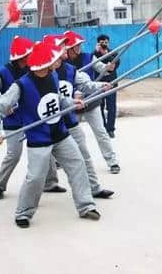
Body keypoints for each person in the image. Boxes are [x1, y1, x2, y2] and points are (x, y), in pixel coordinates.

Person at [0, 41, 100, 228]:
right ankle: (23, 212)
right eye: (53, 60)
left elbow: (58, 99)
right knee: (36, 177)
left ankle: (86, 205)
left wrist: (72, 103)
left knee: (77, 164)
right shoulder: (20, 85)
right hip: (39, 138)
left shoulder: (53, 76)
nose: (57, 62)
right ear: (44, 64)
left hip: (60, 133)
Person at [0, 36, 65, 200]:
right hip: (13, 120)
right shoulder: (2, 72)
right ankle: (0, 185)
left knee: (46, 146)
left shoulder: (35, 69)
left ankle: (50, 183)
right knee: (14, 154)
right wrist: (4, 107)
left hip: (32, 116)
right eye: (30, 53)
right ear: (21, 57)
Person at [48, 34, 114, 199]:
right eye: (63, 46)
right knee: (40, 161)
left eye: (66, 45)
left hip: (70, 120)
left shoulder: (71, 69)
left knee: (83, 154)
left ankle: (94, 188)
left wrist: (101, 86)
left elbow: (86, 84)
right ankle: (46, 184)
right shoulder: (42, 73)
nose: (67, 47)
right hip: (50, 123)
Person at [63, 30, 121, 174]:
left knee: (101, 132)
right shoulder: (61, 63)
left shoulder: (89, 57)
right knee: (65, 134)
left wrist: (108, 67)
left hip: (91, 101)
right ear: (69, 48)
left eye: (80, 45)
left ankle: (112, 161)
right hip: (71, 105)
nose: (80, 48)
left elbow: (102, 68)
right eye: (76, 45)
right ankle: (61, 159)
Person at [93, 34, 119, 138]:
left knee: (111, 106)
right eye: (102, 42)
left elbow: (115, 64)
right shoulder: (94, 55)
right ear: (98, 43)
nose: (104, 44)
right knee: (100, 106)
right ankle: (103, 128)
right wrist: (97, 52)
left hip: (112, 83)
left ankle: (111, 129)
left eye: (106, 42)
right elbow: (92, 64)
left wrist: (106, 54)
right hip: (99, 84)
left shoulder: (113, 53)